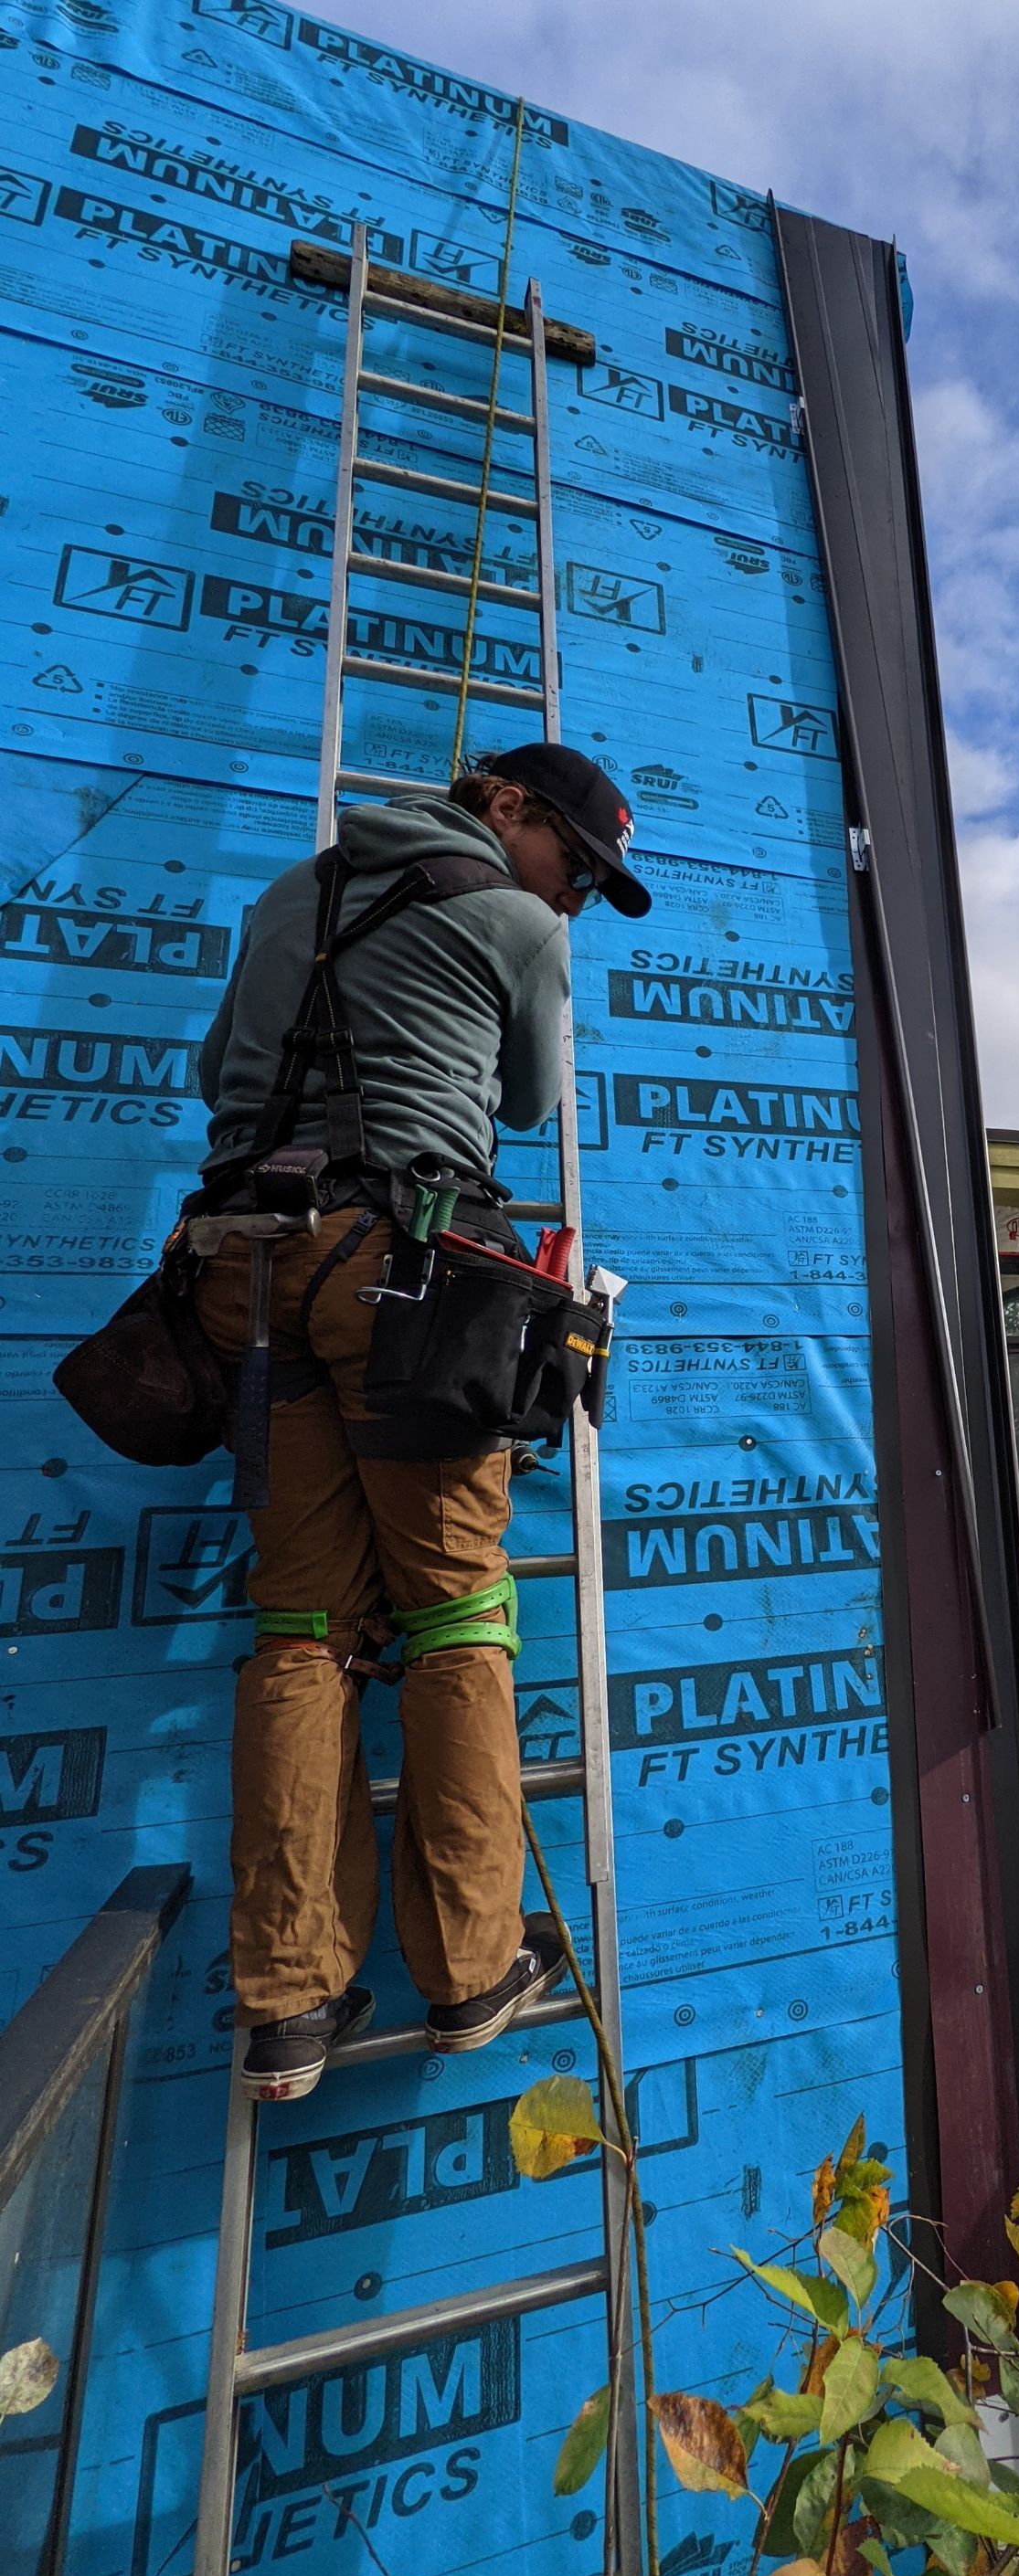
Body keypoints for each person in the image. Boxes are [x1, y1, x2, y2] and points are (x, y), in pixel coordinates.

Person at [193, 744, 649, 2100]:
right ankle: (468, 1969)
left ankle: (289, 2003)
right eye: (577, 866)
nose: (570, 904)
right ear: (506, 808)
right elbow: (526, 1103)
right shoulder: (513, 924)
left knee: (299, 1626)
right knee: (456, 1615)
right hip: (403, 1277)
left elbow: (218, 1067)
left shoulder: (292, 894)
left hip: (244, 1271)